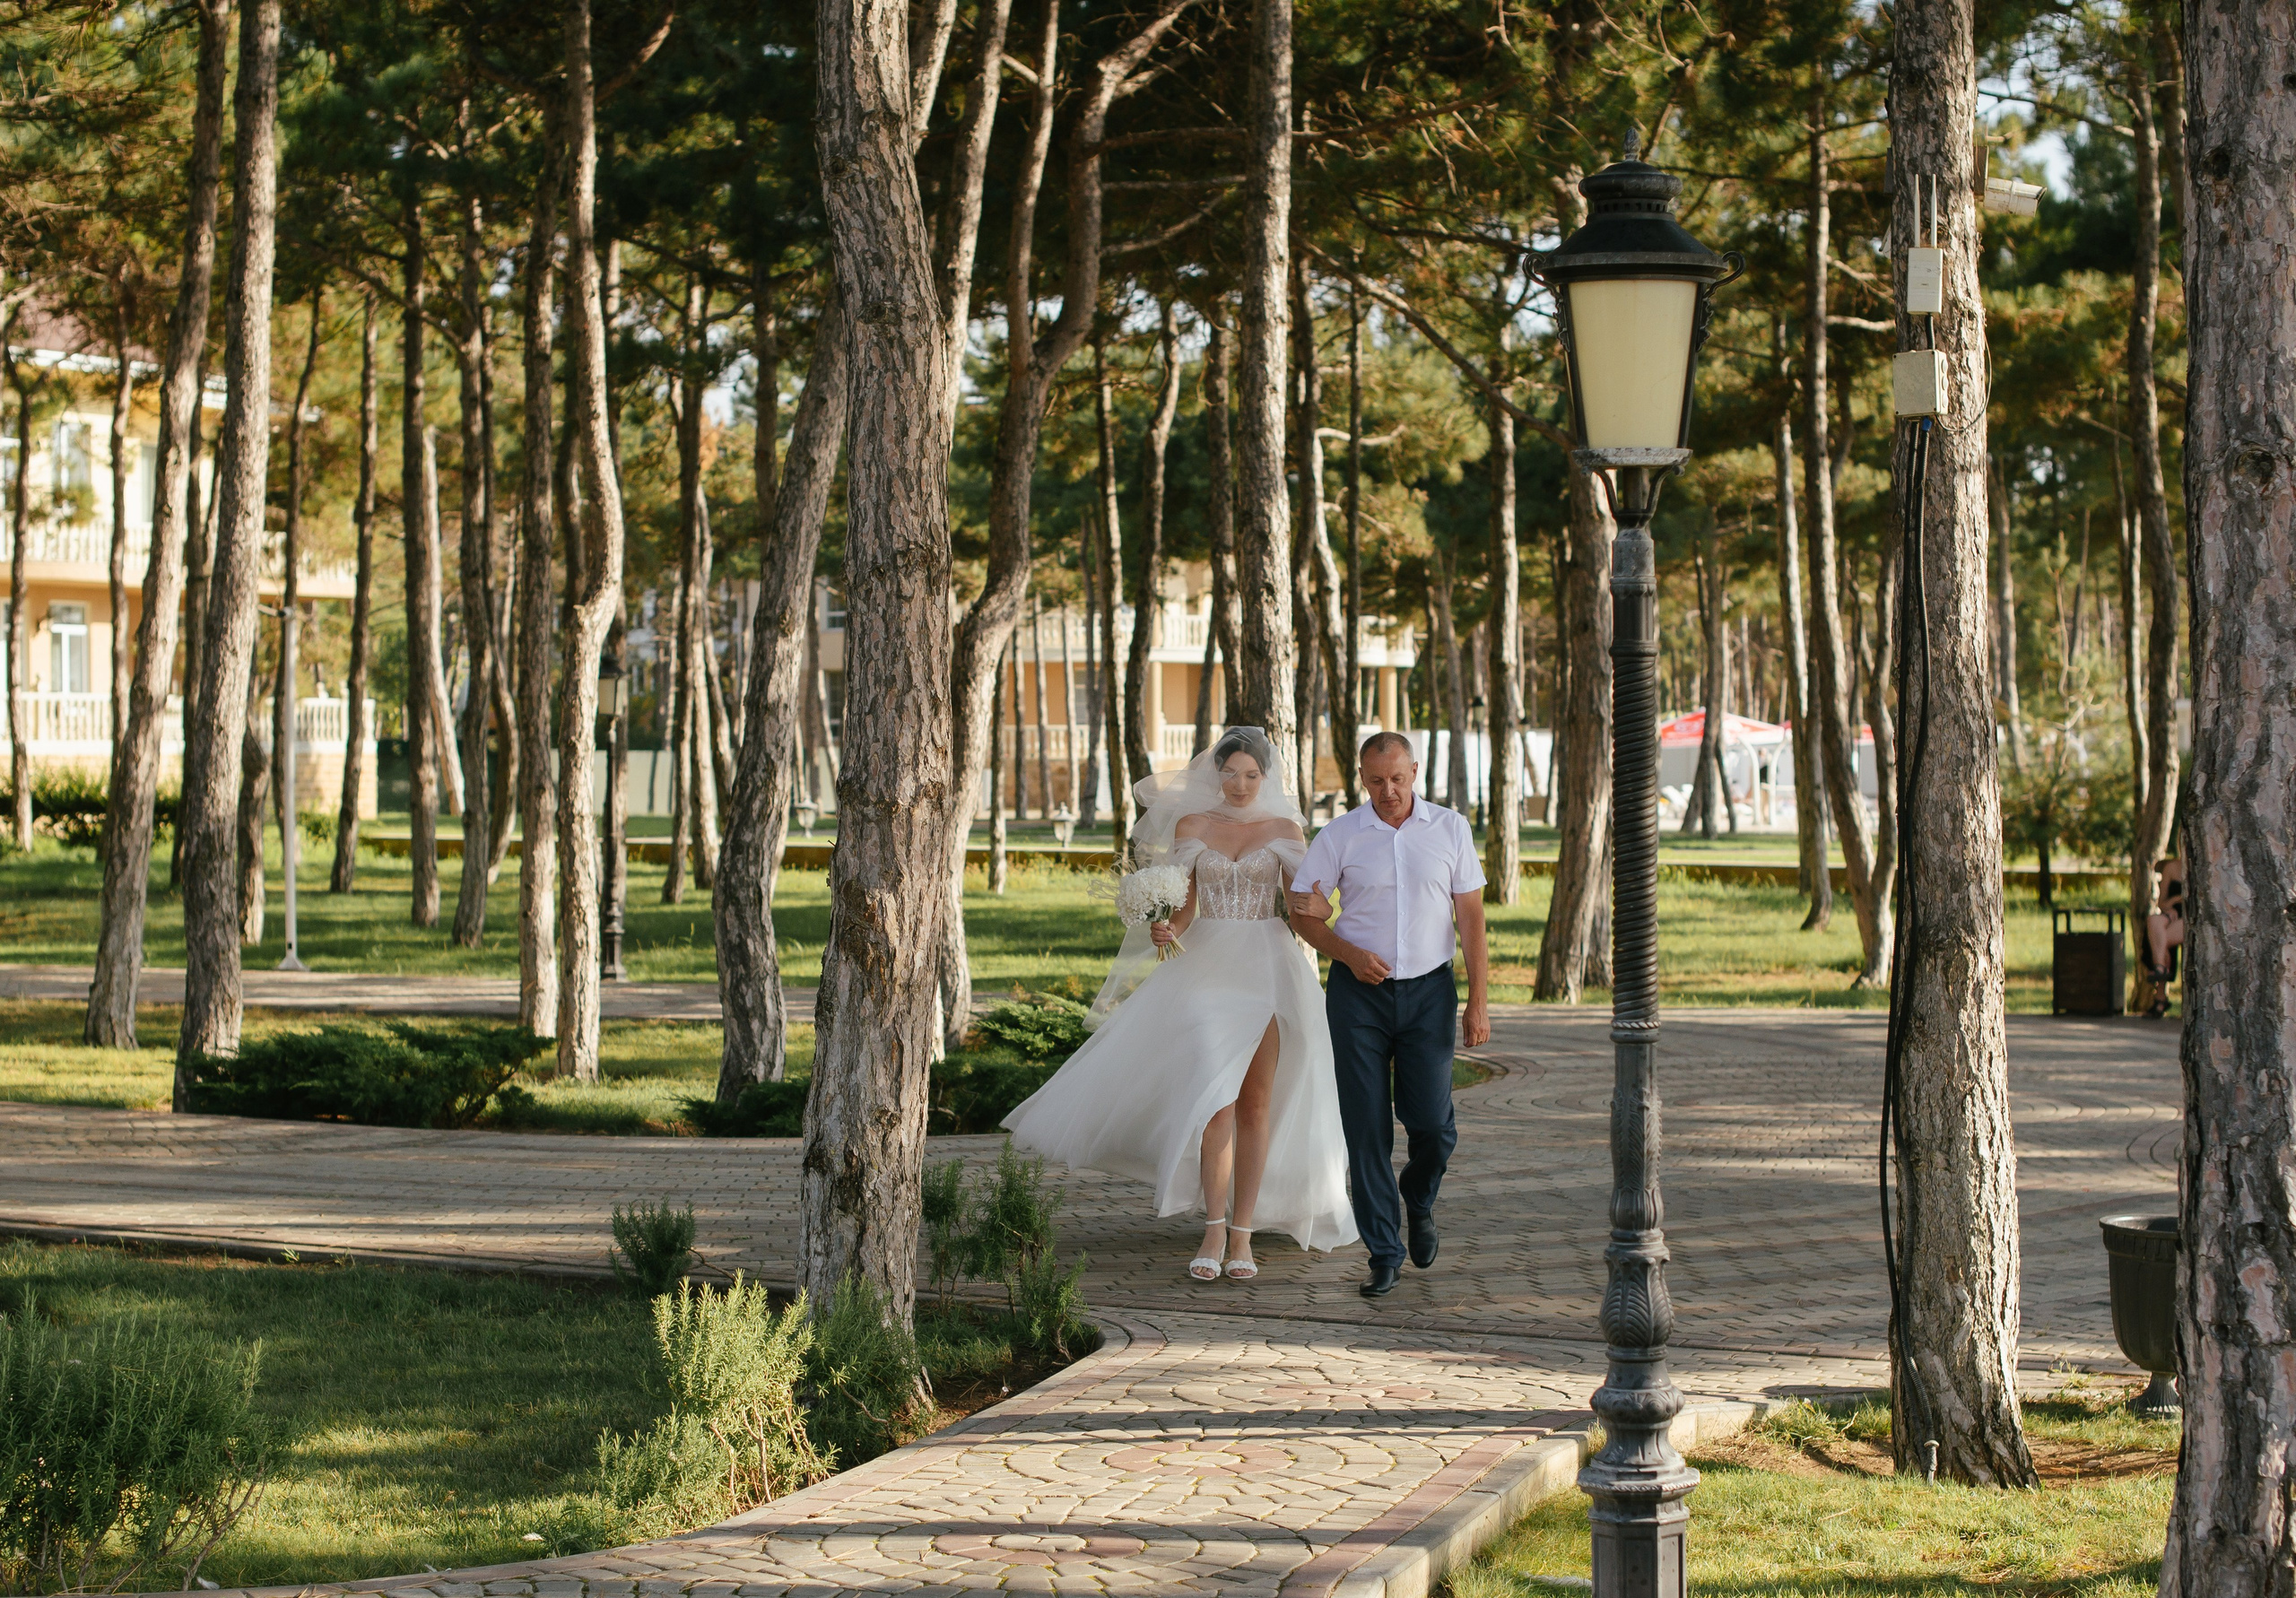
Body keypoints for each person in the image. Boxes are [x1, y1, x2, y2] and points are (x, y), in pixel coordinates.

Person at [1003, 727, 1356, 1281]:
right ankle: (1213, 1228)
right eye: (1230, 772)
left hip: (1267, 968)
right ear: (1215, 773)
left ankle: (1243, 1236)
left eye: (1250, 775)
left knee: (1255, 1105)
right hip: (1206, 971)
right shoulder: (1193, 827)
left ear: (1266, 778)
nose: (1239, 784)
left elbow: (1301, 907)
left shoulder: (1286, 830)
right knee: (1215, 1102)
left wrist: (1323, 906)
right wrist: (1167, 927)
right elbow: (1187, 907)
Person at [1286, 732, 1491, 1298]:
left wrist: (1478, 1000)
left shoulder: (1450, 829)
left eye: (1398, 778)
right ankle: (1384, 1252)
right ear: (1362, 778)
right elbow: (1302, 909)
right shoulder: (1341, 835)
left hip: (1429, 992)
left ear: (1415, 772)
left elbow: (1470, 917)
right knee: (1366, 1126)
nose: (1388, 790)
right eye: (1376, 780)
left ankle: (1418, 1196)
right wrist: (1349, 954)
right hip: (1357, 995)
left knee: (1430, 1122)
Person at [2143, 855, 2185, 1018]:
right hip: (2173, 913)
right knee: (2153, 921)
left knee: (2160, 940)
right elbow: (2162, 903)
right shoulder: (2171, 867)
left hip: (2192, 916)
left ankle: (2160, 997)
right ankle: (2160, 967)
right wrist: (2175, 901)